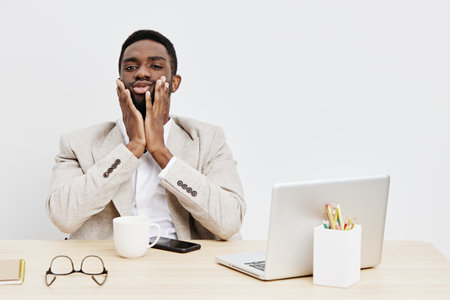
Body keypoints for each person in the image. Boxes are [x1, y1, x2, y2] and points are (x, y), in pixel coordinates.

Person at [46, 29, 245, 240]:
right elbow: (63, 217)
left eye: (156, 66)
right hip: (110, 265)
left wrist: (161, 152)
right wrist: (131, 149)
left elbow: (229, 222)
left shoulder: (208, 139)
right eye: (131, 67)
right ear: (119, 82)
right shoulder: (79, 144)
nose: (141, 73)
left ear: (175, 82)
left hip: (186, 265)